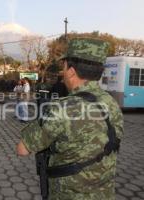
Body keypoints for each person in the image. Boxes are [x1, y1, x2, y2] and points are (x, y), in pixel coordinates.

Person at [17, 38, 123, 200]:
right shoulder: (112, 103)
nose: (63, 72)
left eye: (64, 67)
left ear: (72, 71)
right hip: (104, 192)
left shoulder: (61, 108)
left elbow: (22, 149)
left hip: (69, 194)